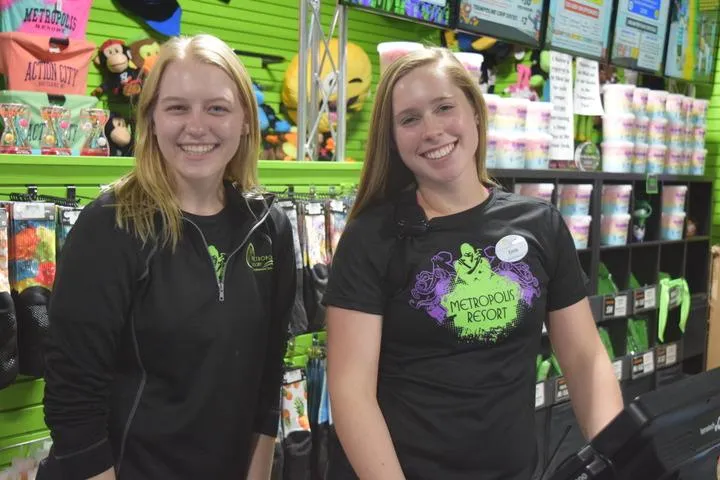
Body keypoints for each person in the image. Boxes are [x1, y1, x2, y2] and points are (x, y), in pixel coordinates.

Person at [323, 47, 624, 479]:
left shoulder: (539, 225)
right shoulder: (371, 238)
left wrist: (617, 459)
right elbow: (351, 391)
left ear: (475, 114)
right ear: (392, 139)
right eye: (409, 119)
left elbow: (585, 359)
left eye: (444, 107)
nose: (431, 130)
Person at [40, 34, 295, 480]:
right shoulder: (112, 224)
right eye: (177, 107)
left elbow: (266, 380)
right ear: (151, 119)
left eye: (217, 108)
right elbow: (73, 399)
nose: (196, 126)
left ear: (246, 122)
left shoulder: (268, 227)